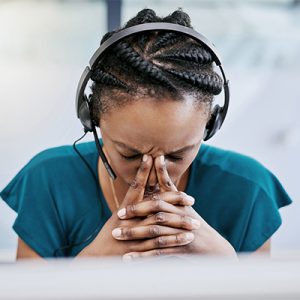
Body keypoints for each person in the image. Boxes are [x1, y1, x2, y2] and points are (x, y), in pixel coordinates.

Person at [0, 9, 292, 260]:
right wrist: (89, 263)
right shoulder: (48, 180)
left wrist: (226, 264)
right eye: (129, 154)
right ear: (92, 119)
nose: (153, 174)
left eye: (177, 155)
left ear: (210, 126)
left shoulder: (249, 189)